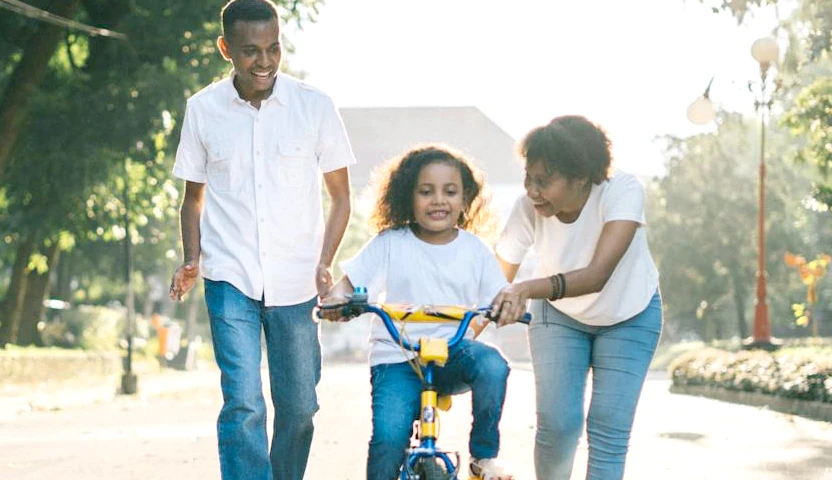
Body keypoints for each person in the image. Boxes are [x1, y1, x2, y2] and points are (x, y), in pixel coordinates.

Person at [167, 1, 355, 479]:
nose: (265, 62)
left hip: (296, 280)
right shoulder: (203, 110)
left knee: (299, 408)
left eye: (274, 48)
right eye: (250, 51)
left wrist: (325, 261)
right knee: (244, 402)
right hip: (230, 276)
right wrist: (193, 258)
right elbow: (193, 199)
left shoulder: (315, 107)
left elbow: (340, 198)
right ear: (226, 48)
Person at [320, 145, 515, 480]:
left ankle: (483, 456)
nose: (438, 200)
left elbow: (498, 297)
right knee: (388, 438)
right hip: (397, 357)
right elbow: (346, 287)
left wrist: (506, 306)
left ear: (465, 198)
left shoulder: (475, 250)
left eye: (450, 192)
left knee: (494, 364)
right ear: (407, 196)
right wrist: (335, 302)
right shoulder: (390, 243)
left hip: (453, 354)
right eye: (426, 192)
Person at [492, 115, 662, 480]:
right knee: (558, 426)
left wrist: (525, 288)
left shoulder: (622, 192)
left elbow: (598, 275)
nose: (532, 191)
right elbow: (494, 285)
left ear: (581, 177)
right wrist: (451, 339)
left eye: (544, 181)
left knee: (608, 429)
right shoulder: (527, 209)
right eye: (529, 178)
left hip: (629, 316)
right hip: (560, 317)